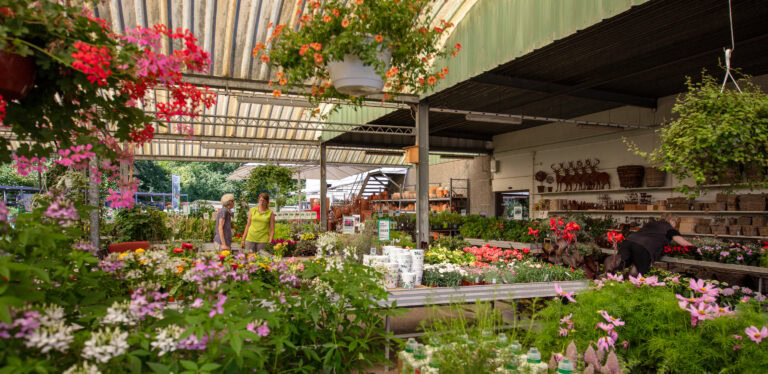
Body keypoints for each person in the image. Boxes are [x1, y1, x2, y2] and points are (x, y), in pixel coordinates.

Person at [617, 214, 694, 275]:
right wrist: (696, 249)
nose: (675, 226)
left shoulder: (651, 223)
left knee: (617, 269)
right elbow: (682, 242)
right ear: (671, 220)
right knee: (639, 276)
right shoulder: (669, 228)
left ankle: (610, 288)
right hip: (643, 247)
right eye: (676, 223)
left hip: (628, 242)